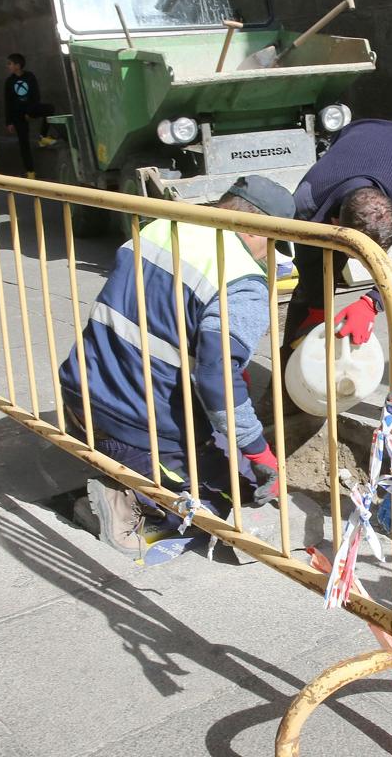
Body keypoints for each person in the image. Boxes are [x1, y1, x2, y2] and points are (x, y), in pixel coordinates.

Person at [58, 175, 294, 556]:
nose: (270, 254)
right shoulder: (241, 279)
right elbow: (217, 379)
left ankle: (129, 469)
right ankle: (125, 505)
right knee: (220, 510)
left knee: (225, 460)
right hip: (134, 421)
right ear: (258, 230)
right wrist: (257, 450)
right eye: (275, 242)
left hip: (80, 392)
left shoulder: (164, 223)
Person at [282, 119, 392, 393]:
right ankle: (291, 390)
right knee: (308, 296)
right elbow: (310, 264)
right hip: (357, 137)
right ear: (335, 222)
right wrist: (317, 307)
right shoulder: (308, 204)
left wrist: (373, 303)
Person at [3, 53, 56, 179]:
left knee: (50, 108)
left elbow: (35, 95)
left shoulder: (29, 76)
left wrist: (30, 112)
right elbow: (8, 102)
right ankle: (30, 171)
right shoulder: (9, 81)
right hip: (17, 115)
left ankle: (42, 137)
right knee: (23, 143)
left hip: (30, 109)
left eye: (10, 64)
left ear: (18, 65)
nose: (8, 66)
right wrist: (9, 122)